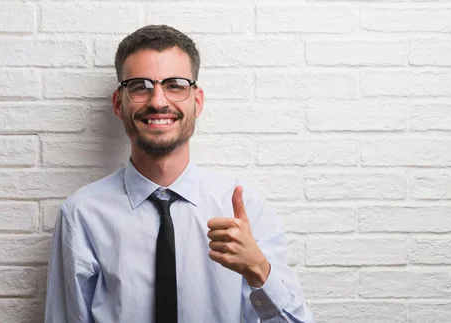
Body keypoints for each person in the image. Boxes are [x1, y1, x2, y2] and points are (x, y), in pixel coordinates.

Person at [44, 25, 316, 323]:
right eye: (140, 86)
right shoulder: (82, 214)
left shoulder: (244, 208)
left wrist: (259, 271)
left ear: (197, 101)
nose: (158, 101)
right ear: (118, 104)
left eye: (175, 85)